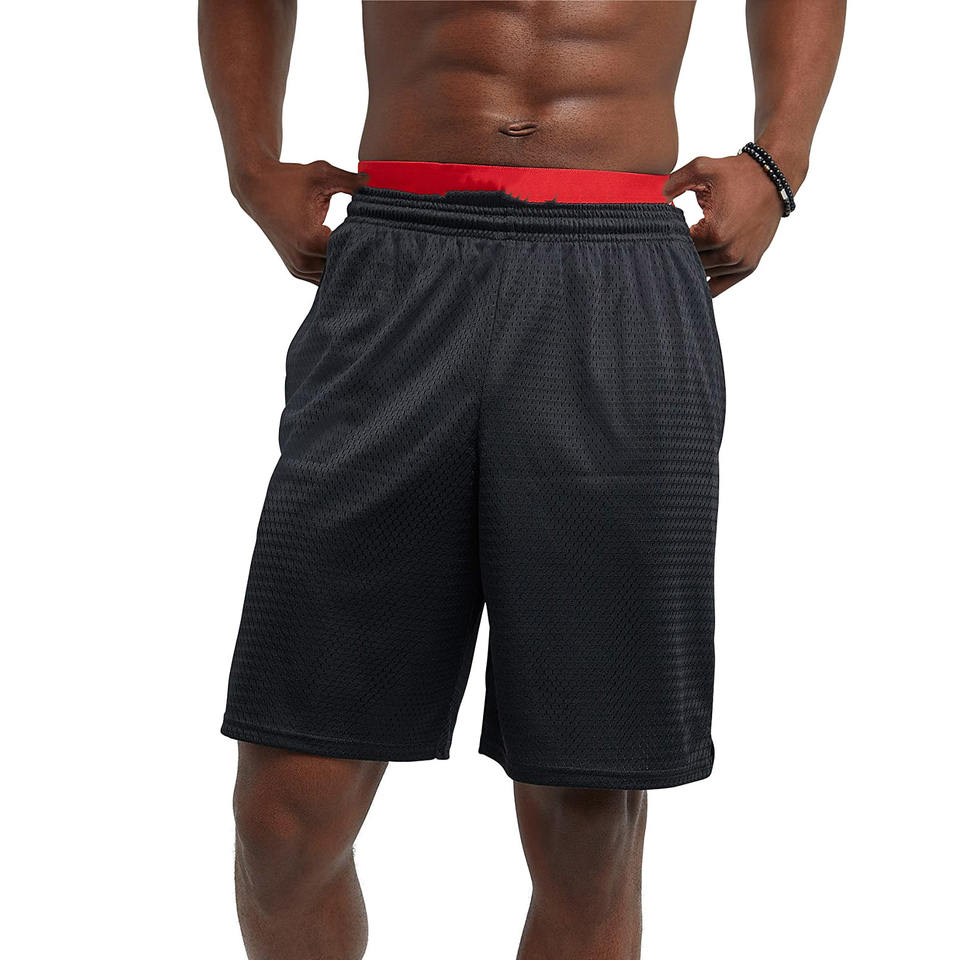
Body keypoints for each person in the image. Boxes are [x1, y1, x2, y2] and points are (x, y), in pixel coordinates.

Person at [199, 2, 844, 957]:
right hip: (398, 266)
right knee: (283, 825)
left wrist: (778, 160)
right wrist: (251, 164)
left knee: (585, 826)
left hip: (615, 266)